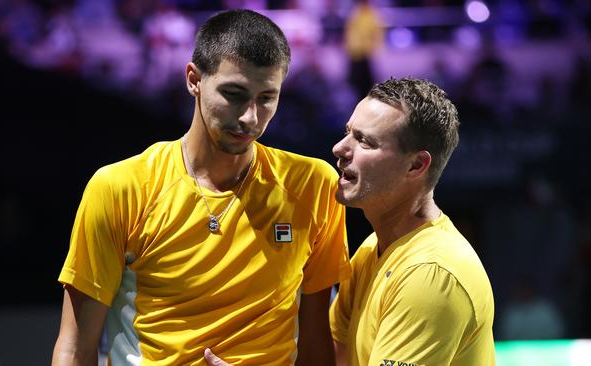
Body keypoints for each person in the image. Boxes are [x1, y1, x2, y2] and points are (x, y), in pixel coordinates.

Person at [51, 9, 350, 366]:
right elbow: (74, 347)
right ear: (194, 79)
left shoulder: (313, 186)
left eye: (266, 98)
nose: (250, 117)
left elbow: (317, 342)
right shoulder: (120, 188)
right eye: (234, 94)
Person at [329, 78, 495, 365]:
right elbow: (333, 358)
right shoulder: (373, 248)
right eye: (348, 133)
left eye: (365, 141)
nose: (339, 148)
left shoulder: (431, 273)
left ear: (416, 165)